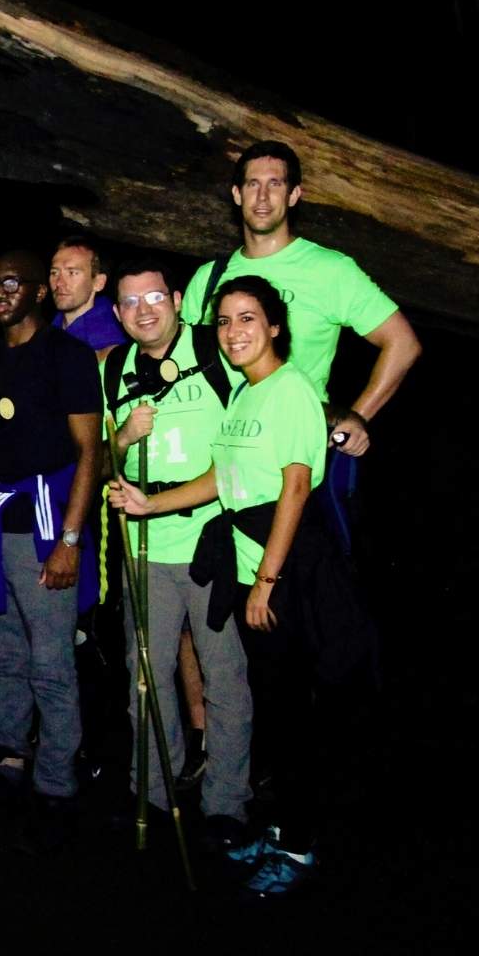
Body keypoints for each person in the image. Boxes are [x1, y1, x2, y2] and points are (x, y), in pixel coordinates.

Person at [114, 276, 370, 895]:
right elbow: (220, 481)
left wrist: (266, 581)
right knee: (276, 704)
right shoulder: (247, 397)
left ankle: (300, 846)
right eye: (225, 321)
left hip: (288, 567)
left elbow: (297, 486)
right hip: (252, 559)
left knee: (291, 709)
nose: (234, 332)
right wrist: (151, 504)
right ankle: (281, 826)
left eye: (248, 319)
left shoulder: (289, 390)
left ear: (275, 326)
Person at [177, 140, 423, 547]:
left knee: (282, 597)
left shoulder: (330, 270)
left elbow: (402, 344)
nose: (262, 196)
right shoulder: (208, 278)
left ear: (294, 195)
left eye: (275, 184)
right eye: (252, 184)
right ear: (236, 194)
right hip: (216, 465)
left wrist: (352, 418)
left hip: (286, 472)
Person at [104, 257, 253, 838]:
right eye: (132, 303)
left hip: (210, 543)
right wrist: (124, 436)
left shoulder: (214, 351)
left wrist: (153, 503)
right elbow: (106, 459)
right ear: (118, 314)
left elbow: (237, 463)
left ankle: (225, 804)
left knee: (224, 676)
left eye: (155, 298)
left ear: (174, 300)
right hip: (143, 552)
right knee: (145, 674)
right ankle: (154, 789)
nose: (145, 311)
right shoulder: (116, 366)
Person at [0, 250, 102, 838]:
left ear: (38, 292)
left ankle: (56, 781)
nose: (1, 292)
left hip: (49, 528)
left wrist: (70, 540)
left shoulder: (68, 356)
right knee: (4, 654)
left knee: (51, 661)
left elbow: (89, 452)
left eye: (12, 282)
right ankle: (9, 757)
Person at [49, 236, 124, 354]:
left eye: (72, 273)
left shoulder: (106, 345)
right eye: (54, 273)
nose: (59, 283)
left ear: (98, 283)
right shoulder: (50, 329)